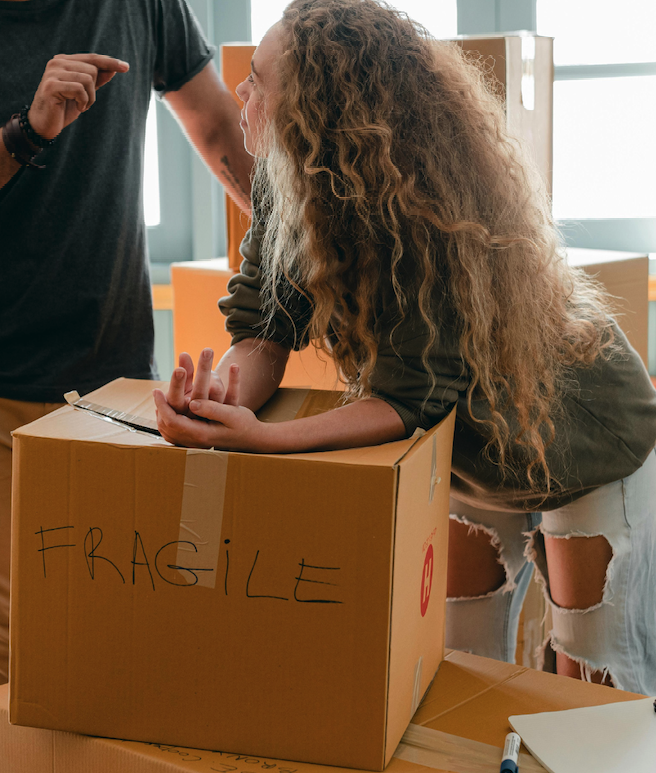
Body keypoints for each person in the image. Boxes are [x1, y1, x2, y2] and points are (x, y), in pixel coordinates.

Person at [153, 0, 656, 695]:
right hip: (471, 451)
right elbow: (263, 332)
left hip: (583, 443)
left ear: (313, 107)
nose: (241, 93)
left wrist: (265, 442)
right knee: (458, 664)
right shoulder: (286, 180)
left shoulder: (419, 211)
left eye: (259, 81)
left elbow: (408, 400)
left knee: (591, 679)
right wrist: (220, 400)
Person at [0, 0, 253, 765]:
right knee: (22, 688)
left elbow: (216, 126)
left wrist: (305, 249)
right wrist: (25, 132)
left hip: (108, 390)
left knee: (112, 666)